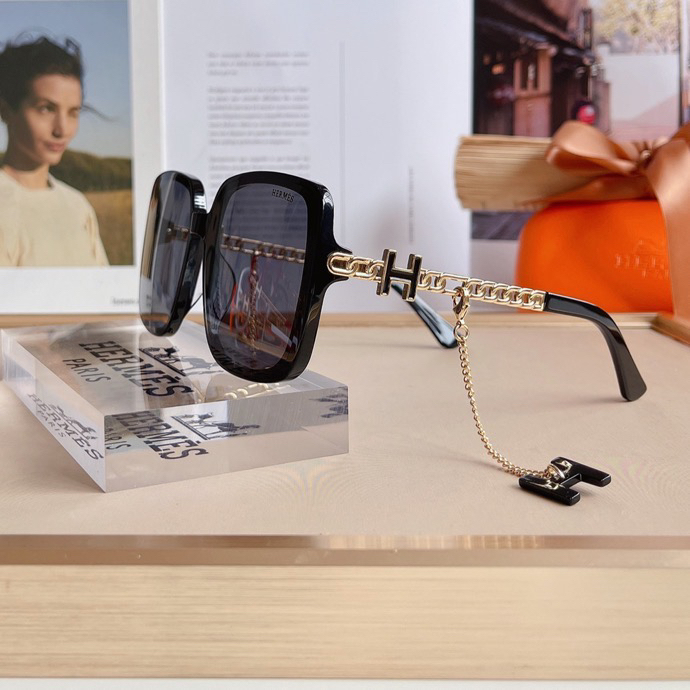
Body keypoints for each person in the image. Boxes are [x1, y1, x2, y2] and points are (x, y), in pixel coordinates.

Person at [0, 36, 109, 266]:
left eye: (73, 112)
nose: (62, 130)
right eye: (46, 109)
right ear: (6, 110)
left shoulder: (78, 206)